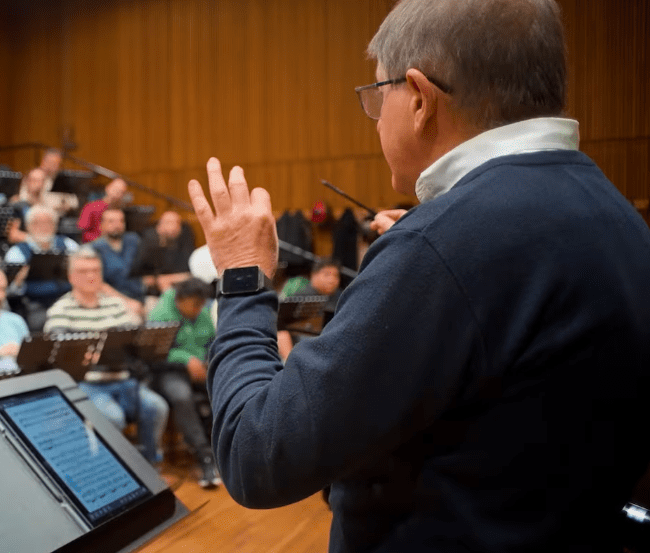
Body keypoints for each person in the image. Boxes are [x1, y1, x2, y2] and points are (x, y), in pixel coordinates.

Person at [187, 1, 650, 551]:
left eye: (377, 96)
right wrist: (424, 259)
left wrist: (241, 276)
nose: (376, 114)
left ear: (420, 99)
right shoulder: (614, 211)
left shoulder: (446, 248)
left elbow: (254, 452)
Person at [44, 247, 169, 465]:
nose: (91, 276)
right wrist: (82, 354)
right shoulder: (61, 309)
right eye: (84, 271)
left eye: (95, 270)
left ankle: (150, 468)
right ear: (71, 277)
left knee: (156, 408)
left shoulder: (115, 304)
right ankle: (116, 470)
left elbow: (135, 337)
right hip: (87, 384)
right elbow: (57, 352)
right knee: (113, 418)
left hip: (123, 379)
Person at [146, 277, 221, 489]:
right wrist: (186, 360)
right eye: (195, 304)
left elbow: (212, 341)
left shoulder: (201, 311)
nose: (199, 309)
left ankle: (222, 448)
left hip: (200, 368)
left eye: (202, 304)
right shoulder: (161, 314)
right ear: (181, 299)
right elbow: (154, 352)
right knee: (181, 396)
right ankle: (204, 455)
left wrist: (207, 360)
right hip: (167, 371)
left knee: (222, 387)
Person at [4, 205, 78, 331]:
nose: (44, 227)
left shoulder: (69, 245)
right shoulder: (17, 253)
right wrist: (18, 281)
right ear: (28, 227)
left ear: (55, 225)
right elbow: (9, 292)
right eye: (37, 223)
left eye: (48, 222)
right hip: (34, 305)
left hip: (69, 301)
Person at [277, 259, 343, 360]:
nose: (332, 280)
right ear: (314, 275)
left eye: (336, 276)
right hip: (300, 349)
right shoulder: (299, 296)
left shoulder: (341, 297)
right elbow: (281, 327)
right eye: (327, 275)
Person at [88, 207, 145, 315]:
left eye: (121, 221)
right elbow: (98, 284)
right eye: (111, 221)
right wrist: (127, 302)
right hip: (110, 300)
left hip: (140, 296)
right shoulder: (94, 249)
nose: (117, 225)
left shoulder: (134, 240)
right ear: (101, 225)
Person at [132, 210, 195, 295]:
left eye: (177, 223)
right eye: (168, 223)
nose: (174, 227)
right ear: (159, 226)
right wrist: (161, 240)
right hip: (154, 292)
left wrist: (169, 279)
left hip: (181, 288)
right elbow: (141, 271)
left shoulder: (185, 240)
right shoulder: (150, 240)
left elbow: (190, 272)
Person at [77, 177, 128, 242]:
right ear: (107, 188)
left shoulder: (121, 211)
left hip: (115, 244)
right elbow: (82, 231)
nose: (117, 193)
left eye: (121, 192)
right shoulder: (91, 207)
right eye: (115, 189)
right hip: (94, 244)